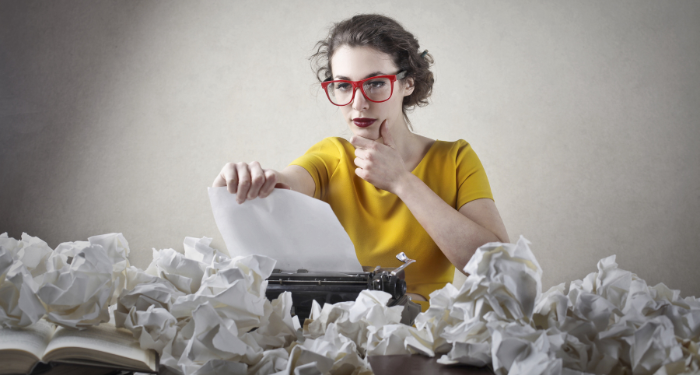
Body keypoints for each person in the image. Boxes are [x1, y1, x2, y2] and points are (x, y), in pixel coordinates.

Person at [213, 14, 509, 311]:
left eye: (376, 83)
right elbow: (285, 183)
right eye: (343, 86)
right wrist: (249, 180)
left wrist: (402, 182)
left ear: (408, 83)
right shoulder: (331, 156)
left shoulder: (455, 159)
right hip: (341, 339)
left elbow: (501, 271)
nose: (358, 103)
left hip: (428, 341)